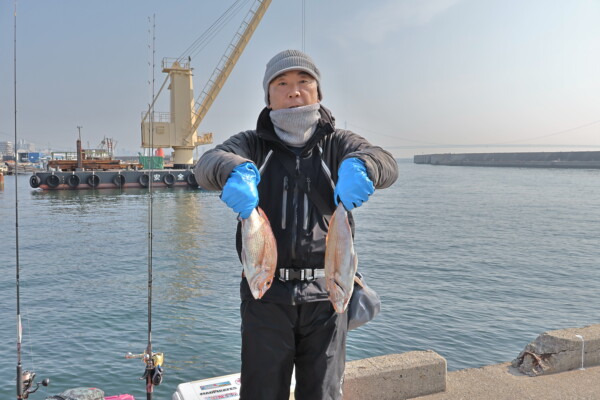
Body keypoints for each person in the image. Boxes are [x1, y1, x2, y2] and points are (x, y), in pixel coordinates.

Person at [194, 49, 398, 400]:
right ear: (268, 97)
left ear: (318, 92)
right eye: (282, 83)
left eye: (304, 82)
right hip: (265, 297)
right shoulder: (252, 144)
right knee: (261, 392)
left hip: (327, 295)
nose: (294, 91)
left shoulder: (338, 143)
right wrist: (233, 169)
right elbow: (206, 164)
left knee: (322, 392)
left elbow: (386, 162)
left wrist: (364, 166)